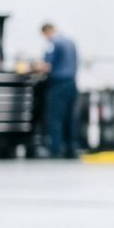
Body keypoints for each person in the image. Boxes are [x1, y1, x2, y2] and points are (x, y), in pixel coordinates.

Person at [38, 22, 80, 159]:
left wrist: (34, 66)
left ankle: (56, 149)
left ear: (47, 31)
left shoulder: (53, 43)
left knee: (55, 117)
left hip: (58, 85)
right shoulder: (71, 42)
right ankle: (71, 148)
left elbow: (47, 66)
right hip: (72, 84)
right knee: (70, 117)